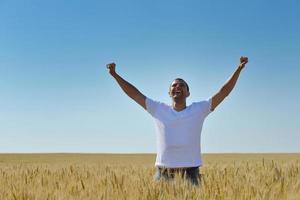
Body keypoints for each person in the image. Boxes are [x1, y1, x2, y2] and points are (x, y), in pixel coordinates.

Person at [106, 57, 248, 185]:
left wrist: (238, 69)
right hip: (163, 175)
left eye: (181, 85)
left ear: (188, 93)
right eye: (173, 85)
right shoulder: (158, 109)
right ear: (169, 93)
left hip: (191, 175)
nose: (177, 87)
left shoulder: (199, 109)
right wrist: (115, 75)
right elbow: (135, 94)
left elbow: (223, 92)